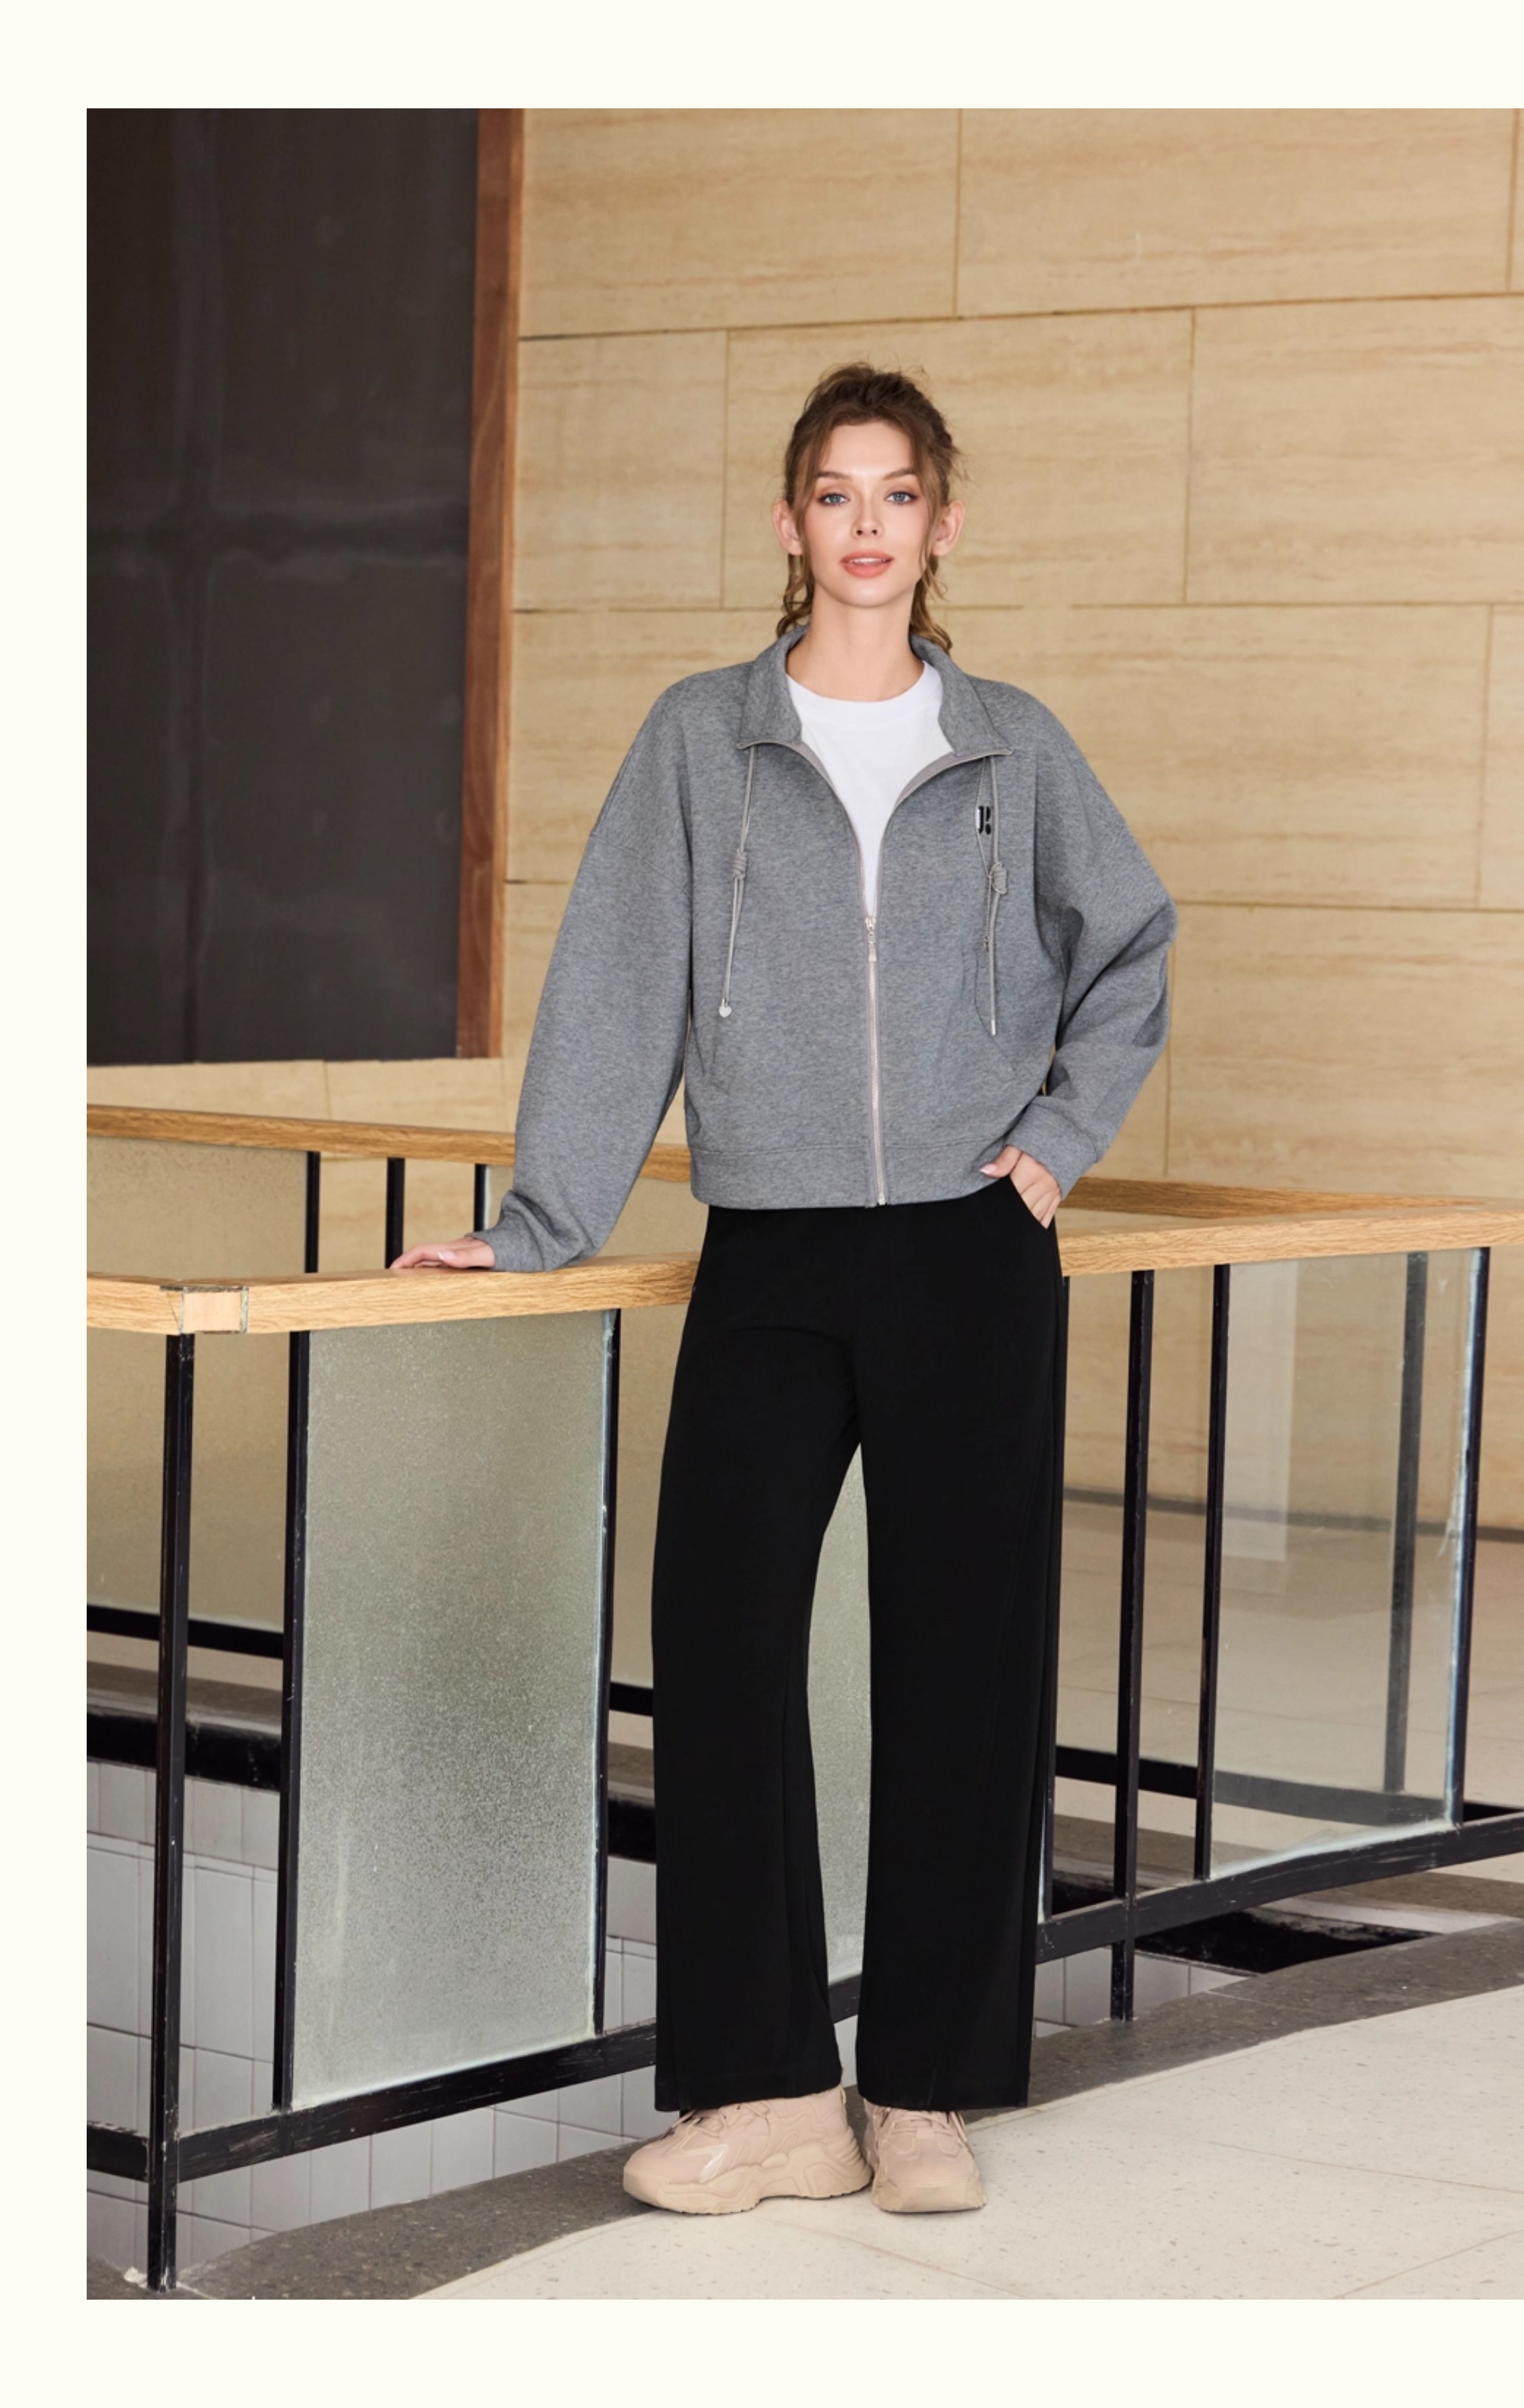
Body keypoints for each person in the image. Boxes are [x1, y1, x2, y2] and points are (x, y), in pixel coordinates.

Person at [396, 362, 1176, 2216]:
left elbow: (1132, 944)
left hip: (970, 1250)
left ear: (943, 523)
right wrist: (539, 1221)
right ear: (791, 522)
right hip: (771, 1241)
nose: (868, 525)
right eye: (837, 493)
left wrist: (1055, 1143)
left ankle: (925, 2094)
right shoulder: (704, 739)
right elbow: (616, 987)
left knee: (962, 1665)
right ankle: (769, 2096)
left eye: (899, 494)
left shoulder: (1010, 746)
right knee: (726, 1641)